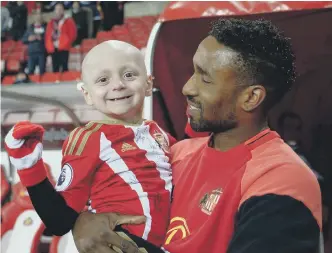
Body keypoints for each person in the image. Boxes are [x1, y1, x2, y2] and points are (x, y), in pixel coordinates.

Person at [70, 18, 322, 253]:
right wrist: (84, 222)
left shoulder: (282, 179)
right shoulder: (175, 154)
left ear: (251, 97)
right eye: (193, 72)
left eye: (205, 79)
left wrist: (112, 239)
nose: (187, 87)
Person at [4, 41, 175, 252]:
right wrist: (29, 166)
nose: (118, 85)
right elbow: (60, 220)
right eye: (103, 79)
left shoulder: (158, 132)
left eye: (129, 75)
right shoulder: (89, 138)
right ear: (87, 94)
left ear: (148, 84)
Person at [45, 2, 77, 72]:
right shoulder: (51, 22)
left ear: (63, 10)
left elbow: (73, 34)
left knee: (64, 68)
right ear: (55, 10)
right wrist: (49, 47)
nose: (59, 10)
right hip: (53, 48)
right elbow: (47, 35)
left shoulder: (68, 21)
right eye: (57, 9)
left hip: (64, 47)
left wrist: (67, 42)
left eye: (60, 9)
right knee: (55, 68)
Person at [22, 11, 47, 75]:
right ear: (34, 17)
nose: (38, 17)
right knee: (30, 71)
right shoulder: (30, 28)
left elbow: (49, 38)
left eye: (39, 15)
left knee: (42, 71)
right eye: (36, 15)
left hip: (41, 52)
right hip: (31, 53)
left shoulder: (45, 26)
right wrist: (28, 39)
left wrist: (41, 38)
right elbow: (23, 39)